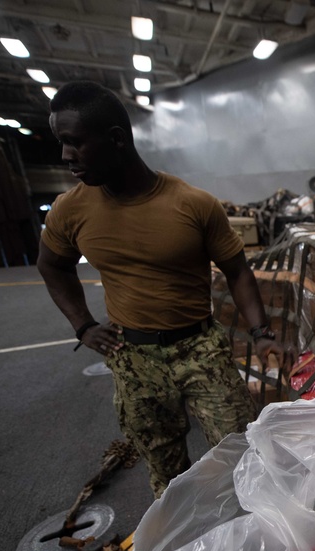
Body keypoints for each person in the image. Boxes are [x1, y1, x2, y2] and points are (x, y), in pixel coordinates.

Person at [38, 81, 279, 498]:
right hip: (132, 358)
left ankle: (262, 549)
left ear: (116, 139)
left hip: (200, 349)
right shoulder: (70, 210)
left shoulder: (192, 203)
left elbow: (237, 270)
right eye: (61, 142)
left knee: (244, 453)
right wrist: (83, 326)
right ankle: (181, 550)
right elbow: (52, 266)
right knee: (165, 471)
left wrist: (261, 333)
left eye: (74, 142)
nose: (65, 155)